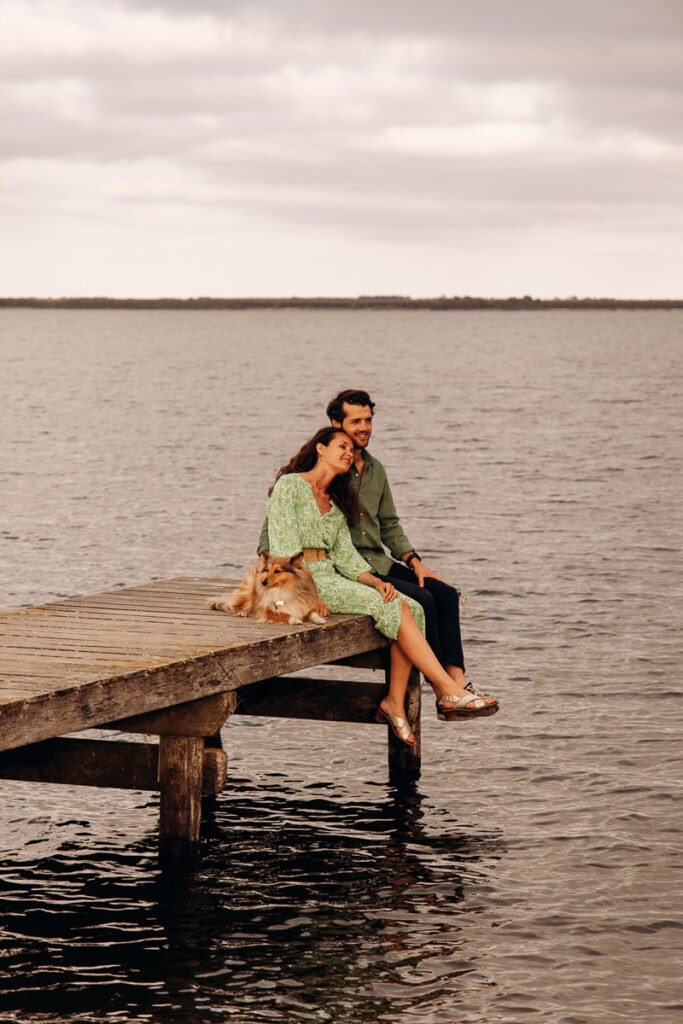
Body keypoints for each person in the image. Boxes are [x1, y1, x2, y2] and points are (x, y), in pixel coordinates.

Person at [265, 426, 499, 746]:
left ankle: (394, 702)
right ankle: (446, 689)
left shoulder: (334, 504)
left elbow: (345, 557)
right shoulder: (290, 487)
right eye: (342, 446)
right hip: (299, 580)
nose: (349, 453)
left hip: (332, 575)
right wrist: (308, 595)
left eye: (351, 449)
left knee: (410, 605)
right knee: (391, 606)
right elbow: (281, 548)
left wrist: (375, 581)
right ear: (320, 449)